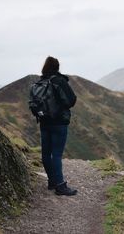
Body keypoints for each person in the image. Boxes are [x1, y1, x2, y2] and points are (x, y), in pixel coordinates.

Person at [39, 56, 77, 196]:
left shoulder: (40, 82)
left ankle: (52, 181)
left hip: (44, 122)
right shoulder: (59, 81)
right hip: (59, 123)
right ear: (57, 67)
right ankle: (60, 186)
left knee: (45, 154)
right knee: (56, 154)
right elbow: (71, 100)